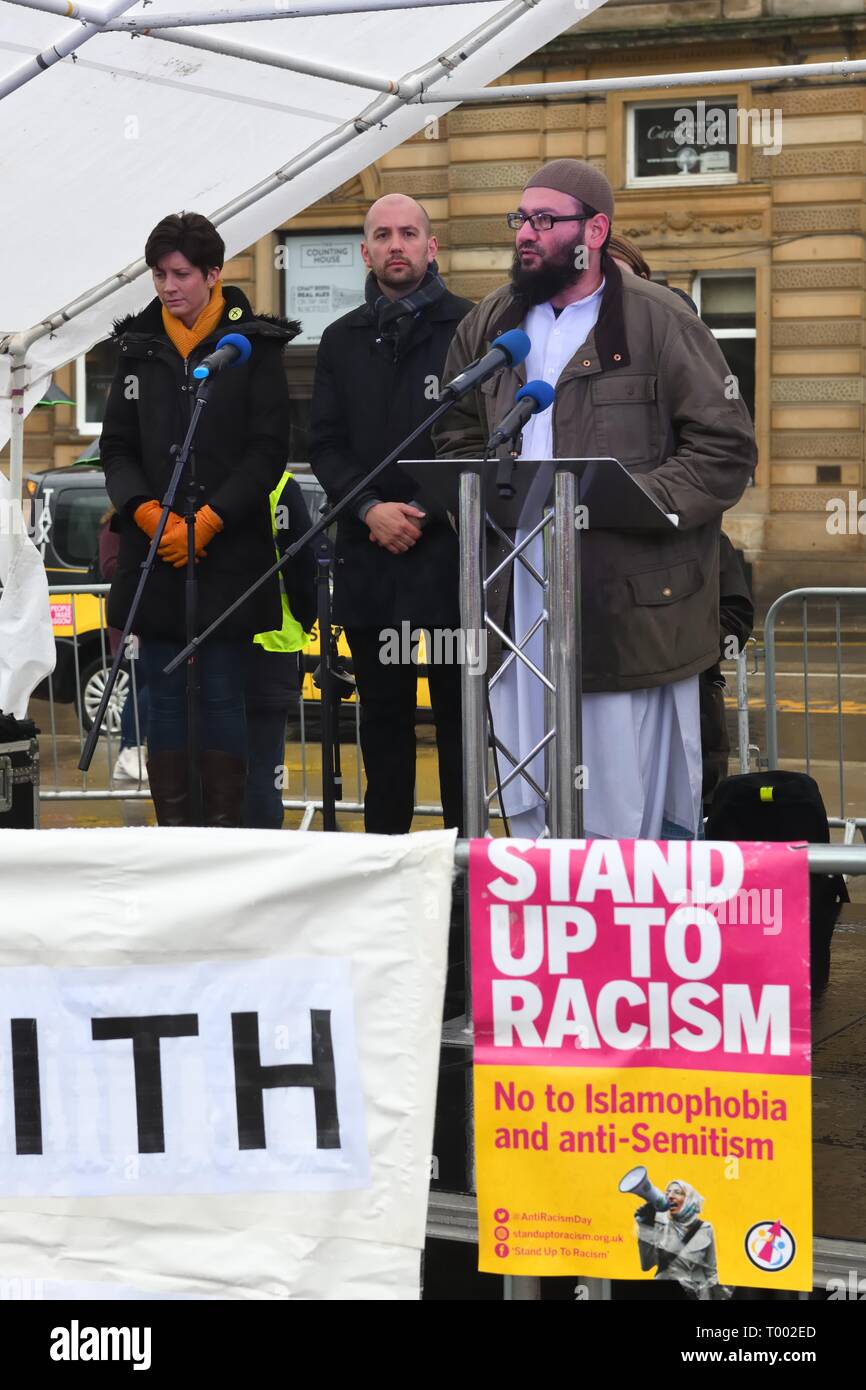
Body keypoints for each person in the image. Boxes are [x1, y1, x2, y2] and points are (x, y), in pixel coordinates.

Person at [435, 159, 756, 840]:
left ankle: (621, 935)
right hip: (517, 602)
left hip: (627, 603)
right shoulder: (493, 322)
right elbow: (454, 431)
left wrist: (631, 499)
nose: (526, 233)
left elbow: (724, 449)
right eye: (520, 219)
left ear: (596, 230)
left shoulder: (659, 320)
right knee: (535, 808)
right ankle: (553, 935)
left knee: (621, 812)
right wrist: (493, 492)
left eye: (544, 220)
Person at [100, 211, 297, 826]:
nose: (167, 286)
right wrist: (146, 510)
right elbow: (116, 448)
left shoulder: (253, 348)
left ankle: (223, 839)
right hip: (154, 556)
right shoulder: (136, 345)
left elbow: (268, 449)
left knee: (220, 696)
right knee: (161, 699)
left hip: (228, 558)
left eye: (180, 274)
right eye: (158, 274)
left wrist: (211, 517)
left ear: (214, 274)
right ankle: (175, 836)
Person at [309, 193, 473, 834]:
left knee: (460, 724)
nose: (396, 244)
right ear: (366, 252)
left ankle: (467, 869)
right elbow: (324, 443)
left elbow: (481, 436)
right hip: (370, 568)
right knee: (382, 724)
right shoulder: (341, 338)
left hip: (450, 564)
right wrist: (372, 508)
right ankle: (387, 862)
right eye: (383, 234)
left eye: (409, 233)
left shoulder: (469, 326)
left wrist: (422, 513)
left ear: (432, 247)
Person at [607, 235, 756, 814]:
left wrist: (637, 499)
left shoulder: (673, 331)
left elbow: (724, 451)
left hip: (677, 626)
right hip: (600, 632)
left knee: (682, 805)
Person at [242, 470, 316, 829]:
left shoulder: (200, 475)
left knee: (215, 758)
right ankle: (263, 845)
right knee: (265, 762)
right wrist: (305, 618)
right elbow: (303, 563)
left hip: (212, 646)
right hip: (272, 647)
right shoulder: (279, 485)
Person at [96, 506, 149, 786]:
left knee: (144, 682)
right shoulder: (113, 526)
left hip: (141, 617)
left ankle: (132, 752)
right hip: (128, 620)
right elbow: (109, 567)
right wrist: (146, 562)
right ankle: (130, 749)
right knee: (147, 682)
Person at [635, 1179, 731, 1300]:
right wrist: (645, 1227)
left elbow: (711, 1271)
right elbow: (646, 1265)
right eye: (668, 1192)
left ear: (689, 1198)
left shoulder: (705, 1228)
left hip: (699, 1295)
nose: (670, 1196)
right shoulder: (658, 1224)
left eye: (677, 1192)